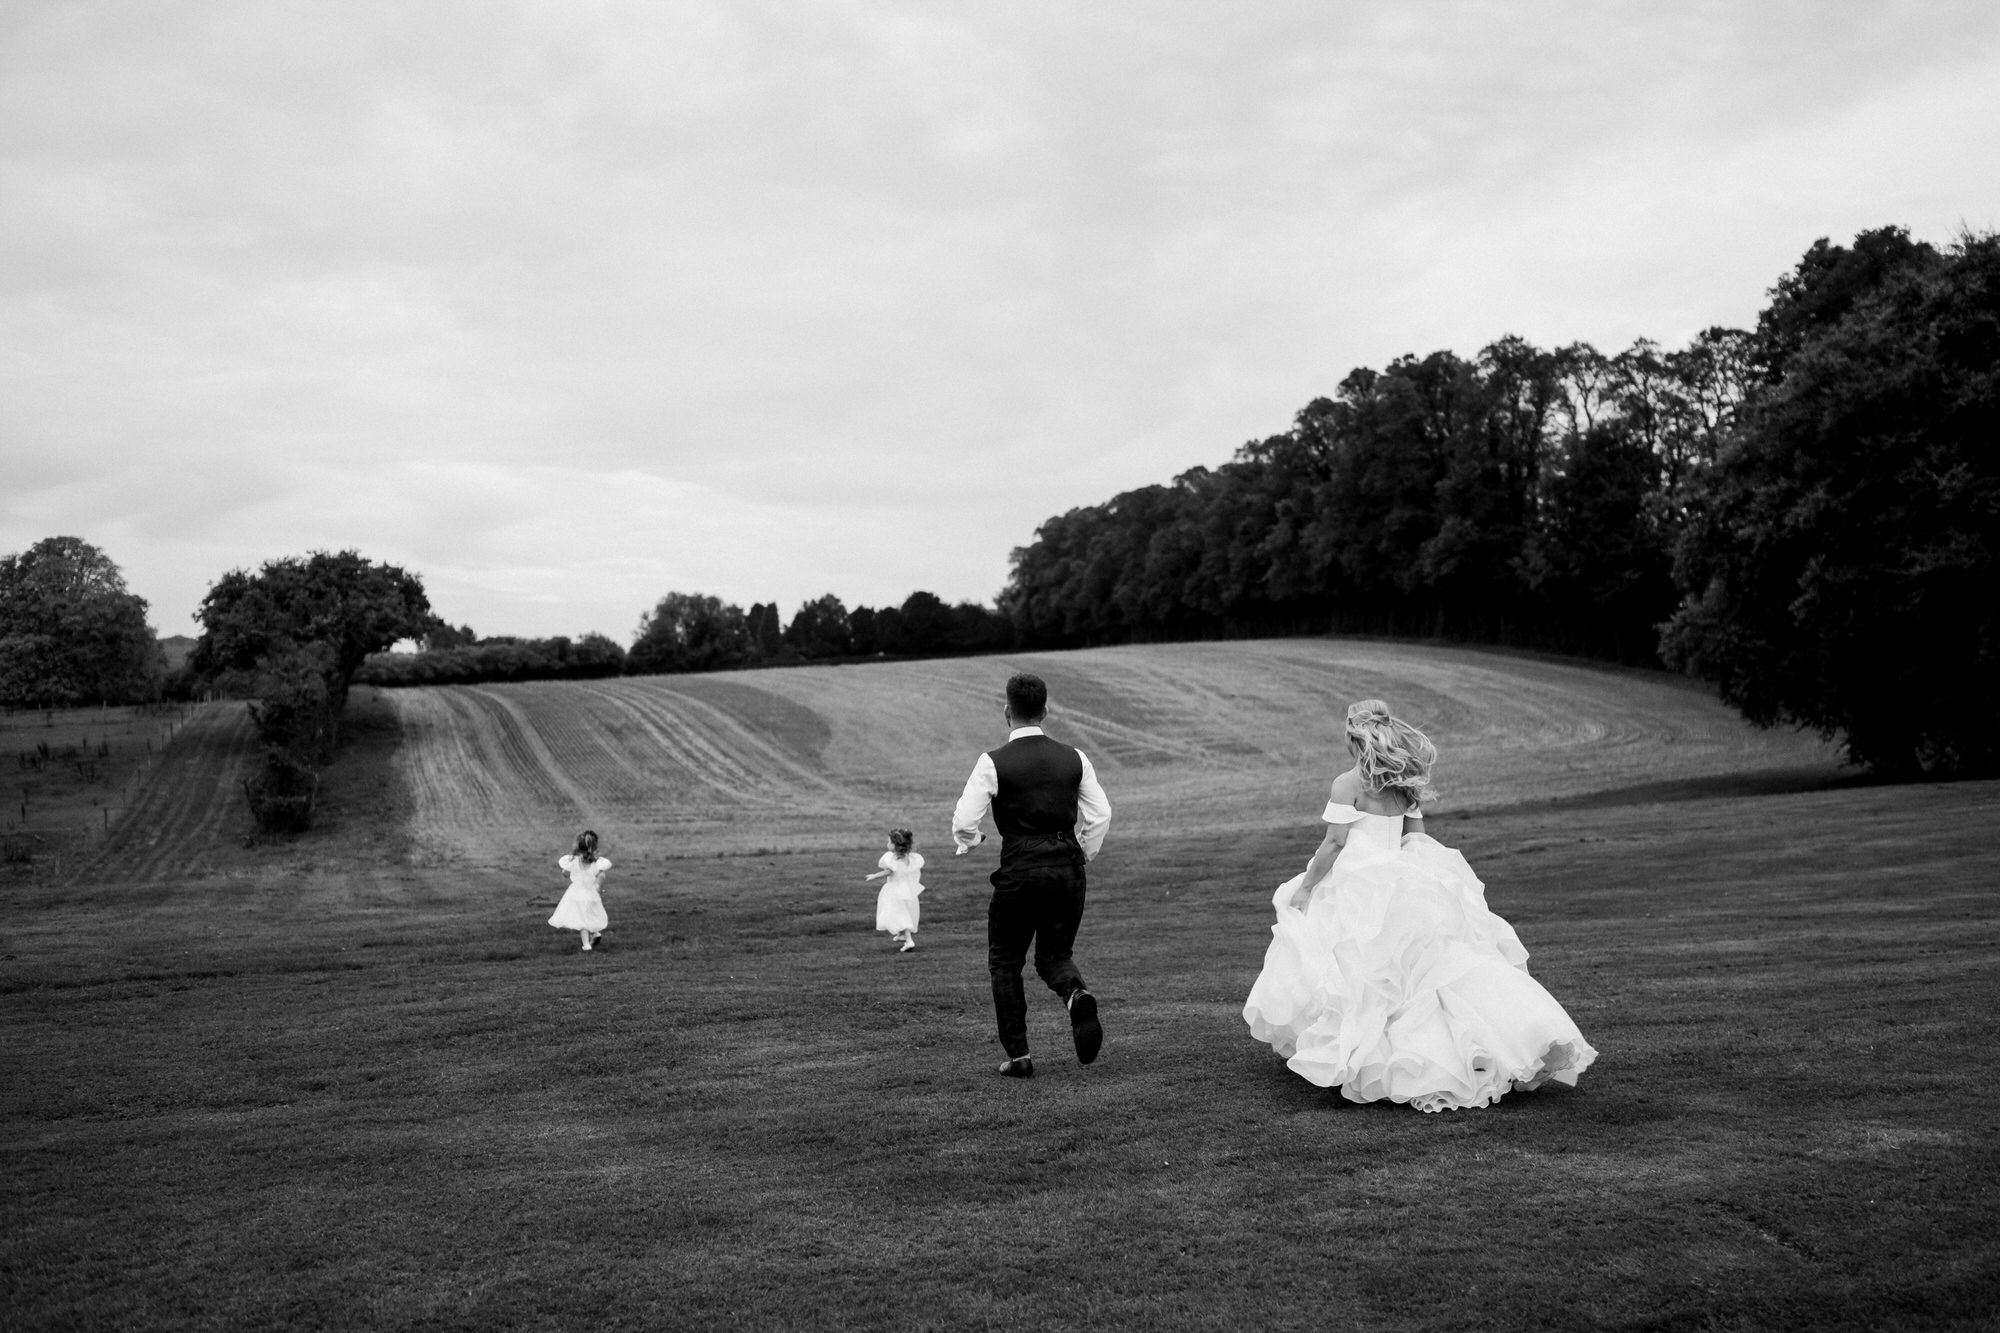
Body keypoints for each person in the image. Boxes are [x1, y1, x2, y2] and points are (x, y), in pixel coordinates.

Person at [1243, 700, 1597, 1111]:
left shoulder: (1347, 784)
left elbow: (1334, 844)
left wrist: (1305, 887)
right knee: (1429, 969)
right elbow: (1418, 839)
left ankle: (1382, 1059)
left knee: (1361, 970)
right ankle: (1490, 1042)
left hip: (1359, 885)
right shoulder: (1403, 784)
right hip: (1404, 879)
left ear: (1352, 736)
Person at [951, 672, 1112, 1078]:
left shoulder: (992, 761)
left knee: (1005, 960)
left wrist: (971, 841)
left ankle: (1019, 1055)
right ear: (1045, 710)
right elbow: (1101, 814)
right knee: (1055, 955)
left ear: (1007, 711)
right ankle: (1076, 994)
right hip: (1067, 867)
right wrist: (1083, 853)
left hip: (1020, 868)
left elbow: (964, 819)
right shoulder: (1076, 757)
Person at [549, 830, 612, 952]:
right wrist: (598, 887)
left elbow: (565, 873)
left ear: (578, 847)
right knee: (590, 914)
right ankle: (596, 933)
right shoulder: (596, 863)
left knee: (582, 920)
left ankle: (586, 945)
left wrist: (571, 872)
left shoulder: (573, 861)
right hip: (591, 893)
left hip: (576, 894)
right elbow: (602, 876)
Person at [864, 828, 925, 952]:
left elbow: (889, 871)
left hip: (894, 890)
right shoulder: (910, 858)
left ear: (894, 845)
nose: (887, 844)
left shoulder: (892, 858)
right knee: (901, 912)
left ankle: (908, 940)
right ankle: (901, 934)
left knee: (899, 914)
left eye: (889, 842)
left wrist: (874, 875)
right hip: (906, 889)